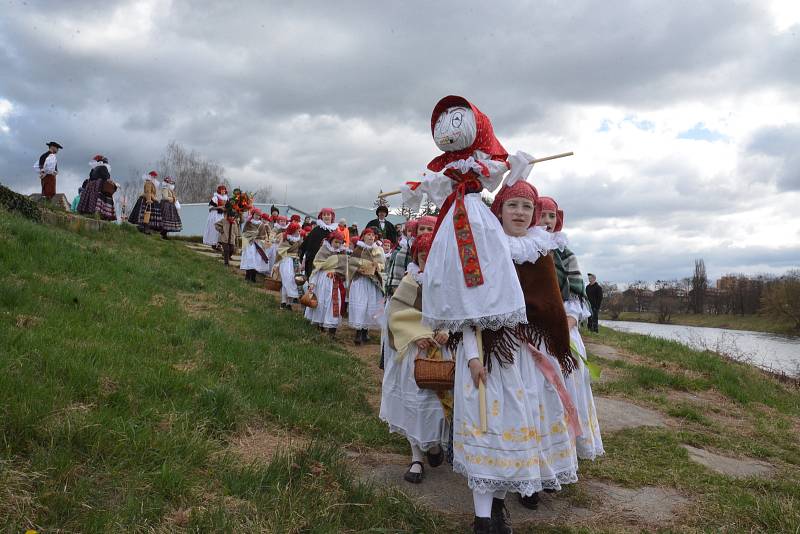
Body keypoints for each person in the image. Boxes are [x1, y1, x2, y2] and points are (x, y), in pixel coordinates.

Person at [491, 180, 583, 512]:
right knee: (505, 417)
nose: (521, 212)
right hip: (499, 344)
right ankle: (498, 486)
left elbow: (553, 300)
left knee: (536, 412)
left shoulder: (540, 250)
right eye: (513, 204)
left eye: (527, 207)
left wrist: (559, 332)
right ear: (499, 209)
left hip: (536, 344)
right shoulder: (490, 244)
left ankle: (530, 480)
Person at [539, 196, 605, 463]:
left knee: (567, 379)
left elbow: (577, 296)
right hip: (530, 328)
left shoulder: (565, 253)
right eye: (541, 215)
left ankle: (565, 450)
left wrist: (566, 325)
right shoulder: (520, 249)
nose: (546, 221)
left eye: (551, 216)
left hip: (562, 326)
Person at [379, 232, 449, 484]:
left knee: (438, 405)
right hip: (414, 350)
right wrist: (416, 333)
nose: (427, 261)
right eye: (422, 256)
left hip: (442, 353)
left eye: (433, 256)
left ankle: (434, 446)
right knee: (414, 404)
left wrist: (447, 331)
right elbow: (396, 313)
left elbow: (459, 313)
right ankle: (416, 456)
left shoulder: (450, 282)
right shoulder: (410, 281)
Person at [304, 230, 348, 338]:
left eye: (340, 242)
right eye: (336, 242)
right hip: (323, 280)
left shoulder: (342, 254)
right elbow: (317, 267)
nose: (337, 245)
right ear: (331, 240)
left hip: (335, 281)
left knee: (334, 302)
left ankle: (332, 328)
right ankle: (320, 324)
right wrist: (313, 282)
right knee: (322, 301)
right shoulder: (323, 251)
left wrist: (341, 276)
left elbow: (344, 269)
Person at [348, 227, 386, 344]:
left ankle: (365, 332)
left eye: (373, 235)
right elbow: (351, 265)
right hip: (360, 281)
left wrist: (377, 266)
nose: (371, 237)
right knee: (361, 306)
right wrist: (359, 269)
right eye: (368, 235)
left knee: (370, 306)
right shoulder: (358, 250)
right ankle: (358, 333)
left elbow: (382, 265)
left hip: (372, 282)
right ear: (363, 236)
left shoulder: (378, 251)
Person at [298, 208, 337, 279]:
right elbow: (307, 245)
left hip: (329, 264)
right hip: (314, 262)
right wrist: (304, 260)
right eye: (324, 215)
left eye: (328, 214)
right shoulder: (316, 230)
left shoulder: (335, 231)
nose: (326, 216)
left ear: (332, 216)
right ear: (321, 217)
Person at [77, 155, 116, 220]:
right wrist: (114, 184)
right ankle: (99, 214)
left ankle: (87, 211)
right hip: (99, 186)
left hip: (91, 185)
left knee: (90, 198)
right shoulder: (104, 168)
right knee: (100, 198)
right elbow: (107, 178)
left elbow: (91, 177)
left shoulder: (93, 169)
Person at [276, 222, 304, 310]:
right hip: (286, 261)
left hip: (295, 261)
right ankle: (283, 301)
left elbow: (299, 251)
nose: (298, 231)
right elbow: (280, 250)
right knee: (286, 280)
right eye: (297, 229)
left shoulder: (299, 239)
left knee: (293, 281)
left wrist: (300, 262)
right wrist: (277, 263)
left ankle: (289, 303)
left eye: (299, 229)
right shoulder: (285, 238)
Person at [240, 209, 271, 281]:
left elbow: (263, 235)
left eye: (259, 215)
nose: (257, 216)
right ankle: (247, 275)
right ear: (253, 214)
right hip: (249, 244)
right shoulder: (248, 223)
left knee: (256, 260)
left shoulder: (261, 224)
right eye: (256, 215)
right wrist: (250, 238)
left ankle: (253, 277)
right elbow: (245, 233)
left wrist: (259, 239)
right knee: (249, 259)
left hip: (258, 245)